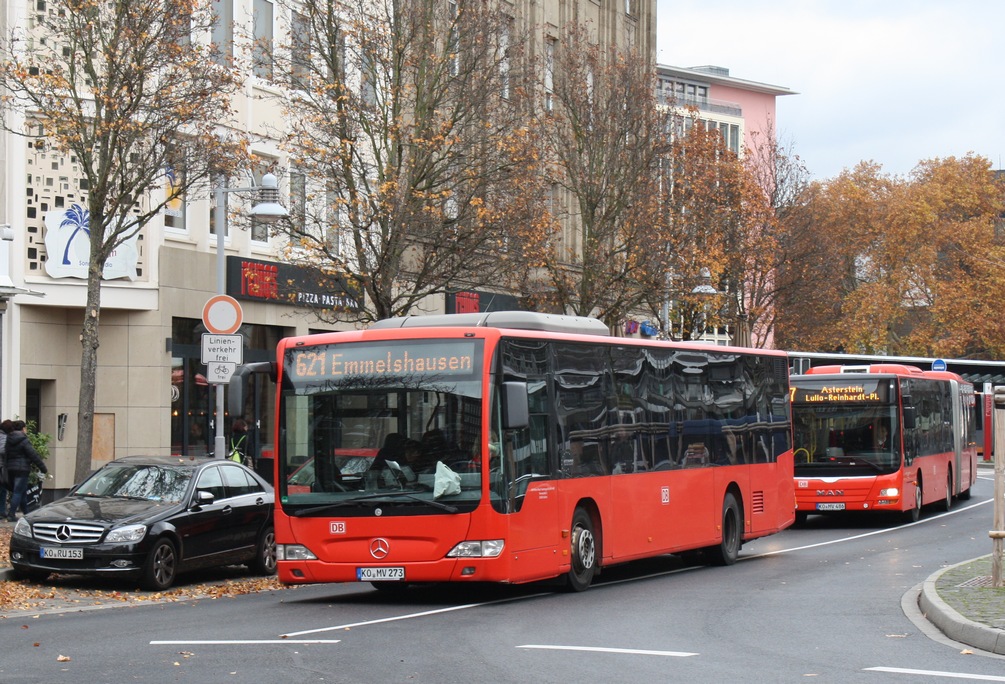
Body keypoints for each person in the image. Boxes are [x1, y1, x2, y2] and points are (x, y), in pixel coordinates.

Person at [5, 420, 47, 521]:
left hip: (11, 468)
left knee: (22, 491)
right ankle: (11, 514)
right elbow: (33, 455)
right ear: (23, 428)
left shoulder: (9, 439)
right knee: (18, 492)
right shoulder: (24, 440)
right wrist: (43, 468)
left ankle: (26, 513)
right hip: (22, 469)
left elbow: (6, 454)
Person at [0, 420, 12, 520]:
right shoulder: (4, 437)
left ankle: (2, 510)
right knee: (2, 489)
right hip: (1, 466)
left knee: (3, 489)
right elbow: (3, 450)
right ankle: (2, 511)